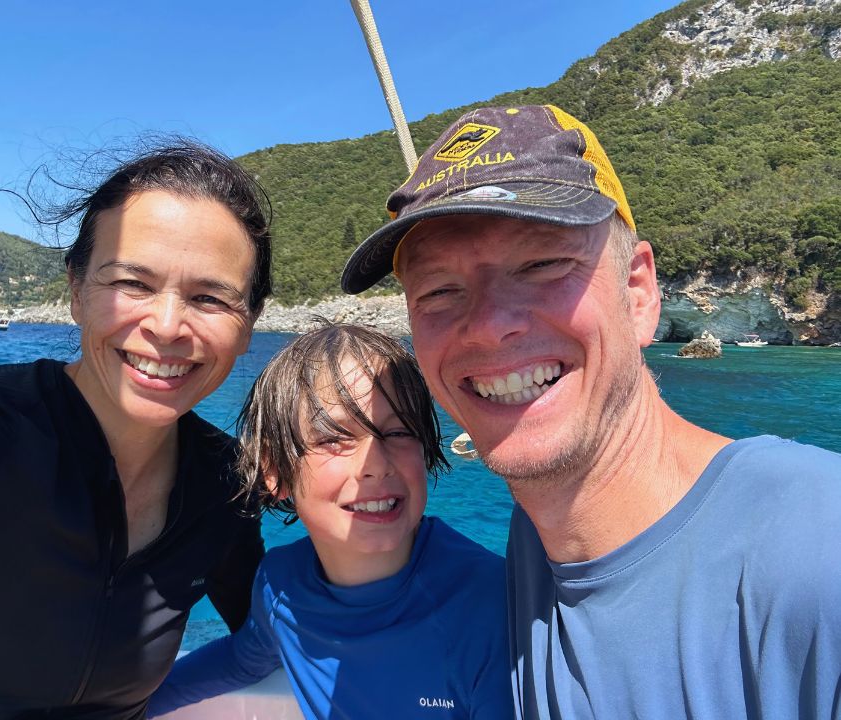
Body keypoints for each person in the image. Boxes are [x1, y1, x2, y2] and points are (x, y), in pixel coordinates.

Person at [341, 105, 841, 718]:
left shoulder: (817, 547)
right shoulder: (541, 539)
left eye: (542, 264)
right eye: (439, 291)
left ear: (638, 294)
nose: (491, 325)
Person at [0, 141, 272, 719]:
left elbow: (276, 627)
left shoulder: (224, 485)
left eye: (210, 298)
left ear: (250, 323)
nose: (165, 326)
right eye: (133, 284)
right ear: (77, 291)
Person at [147, 323, 513, 719]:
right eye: (333, 439)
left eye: (399, 432)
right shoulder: (281, 585)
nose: (375, 464)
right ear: (276, 473)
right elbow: (241, 660)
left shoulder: (489, 605)